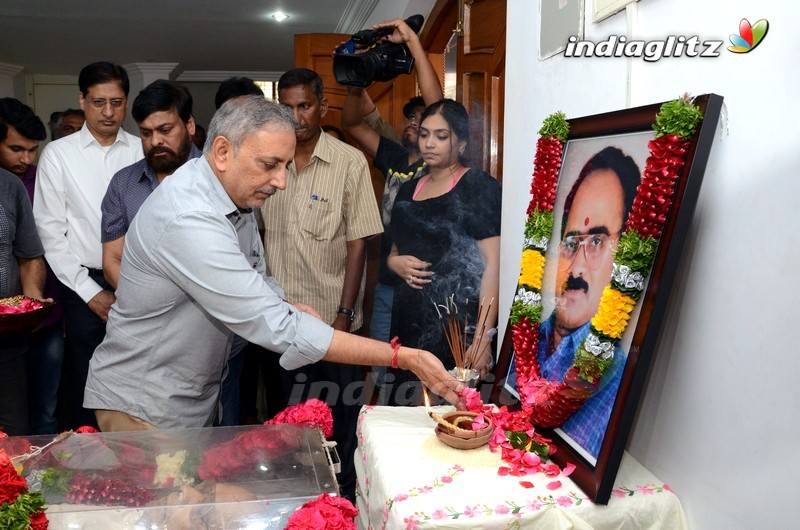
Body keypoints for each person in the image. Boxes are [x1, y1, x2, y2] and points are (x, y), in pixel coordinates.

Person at [83, 95, 461, 434]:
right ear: (222, 152)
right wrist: (400, 356)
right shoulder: (189, 217)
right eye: (270, 164)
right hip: (143, 404)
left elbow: (257, 277)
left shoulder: (237, 194)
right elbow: (276, 328)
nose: (281, 181)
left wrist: (286, 303)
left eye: (284, 165)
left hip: (185, 395)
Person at [260, 67, 383, 500]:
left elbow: (358, 243)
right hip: (278, 324)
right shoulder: (266, 161)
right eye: (287, 106)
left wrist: (345, 316)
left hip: (333, 321)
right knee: (287, 420)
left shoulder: (349, 162)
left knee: (340, 418)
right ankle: (295, 499)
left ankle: (342, 501)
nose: (296, 116)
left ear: (322, 107)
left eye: (304, 105)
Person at [509, 146, 641, 458]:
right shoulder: (526, 336)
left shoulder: (615, 380)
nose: (577, 267)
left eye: (597, 241)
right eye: (571, 243)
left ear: (625, 257)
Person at [33, 62, 143, 430]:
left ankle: (135, 466)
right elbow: (50, 233)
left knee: (138, 378)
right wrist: (91, 294)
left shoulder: (143, 150)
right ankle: (85, 474)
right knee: (84, 380)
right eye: (98, 102)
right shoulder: (58, 154)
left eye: (117, 102)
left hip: (141, 283)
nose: (108, 112)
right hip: (82, 286)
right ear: (82, 100)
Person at [341, 17, 443, 403]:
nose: (415, 125)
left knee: (426, 375)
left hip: (426, 286)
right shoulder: (395, 155)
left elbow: (439, 107)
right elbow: (352, 121)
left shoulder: (438, 165)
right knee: (384, 371)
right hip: (387, 283)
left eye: (424, 119)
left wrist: (414, 43)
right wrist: (358, 79)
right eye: (411, 119)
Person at [386, 99, 501, 405]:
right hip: (408, 318)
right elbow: (394, 251)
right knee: (405, 412)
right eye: (424, 134)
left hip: (455, 325)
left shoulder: (479, 186)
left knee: (453, 415)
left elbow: (493, 265)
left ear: (461, 142)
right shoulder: (408, 189)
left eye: (441, 136)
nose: (429, 143)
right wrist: (395, 263)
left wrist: (482, 338)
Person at [0, 98, 65, 435]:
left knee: (31, 415)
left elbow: (30, 255)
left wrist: (31, 307)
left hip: (26, 324)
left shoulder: (28, 183)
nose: (25, 159)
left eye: (31, 150)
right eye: (15, 149)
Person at [101, 80, 200, 290]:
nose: (155, 141)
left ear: (189, 125)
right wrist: (147, 306)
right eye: (146, 133)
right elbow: (113, 260)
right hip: (144, 314)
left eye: (165, 130)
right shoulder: (123, 184)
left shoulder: (220, 179)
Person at [0, 166, 46, 436]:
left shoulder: (9, 185)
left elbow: (29, 257)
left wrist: (32, 304)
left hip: (6, 339)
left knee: (15, 436)